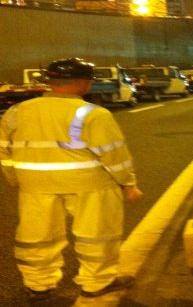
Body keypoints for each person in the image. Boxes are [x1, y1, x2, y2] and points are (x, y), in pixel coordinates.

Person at [0, 57, 143, 303]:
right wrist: (128, 183)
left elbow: (4, 149)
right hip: (89, 185)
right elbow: (114, 154)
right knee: (97, 236)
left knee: (37, 238)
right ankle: (98, 283)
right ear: (80, 83)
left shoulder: (16, 111)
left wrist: (16, 179)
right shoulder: (93, 113)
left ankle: (38, 286)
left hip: (35, 186)